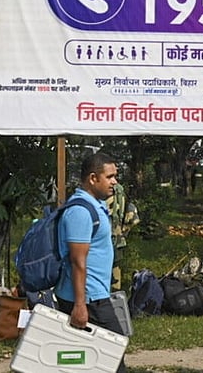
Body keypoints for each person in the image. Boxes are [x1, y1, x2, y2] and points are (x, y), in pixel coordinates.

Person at [55, 152, 127, 373]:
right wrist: (79, 306)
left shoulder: (94, 205)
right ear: (93, 178)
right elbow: (78, 262)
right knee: (114, 354)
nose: (115, 182)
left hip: (94, 295)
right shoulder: (80, 211)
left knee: (91, 361)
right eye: (110, 176)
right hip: (87, 299)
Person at [107, 182, 139, 292]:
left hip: (100, 242)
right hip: (117, 239)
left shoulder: (97, 190)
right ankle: (115, 298)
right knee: (115, 272)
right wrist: (123, 230)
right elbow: (133, 219)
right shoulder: (119, 191)